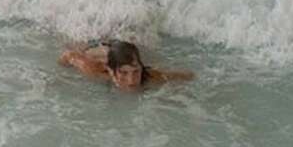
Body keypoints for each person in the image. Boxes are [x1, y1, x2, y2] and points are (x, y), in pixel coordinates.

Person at [58, 40, 193, 92]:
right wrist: (61, 70)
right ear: (111, 72)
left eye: (136, 71)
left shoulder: (150, 75)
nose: (131, 80)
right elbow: (68, 55)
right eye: (123, 73)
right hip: (97, 48)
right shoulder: (93, 70)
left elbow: (187, 76)